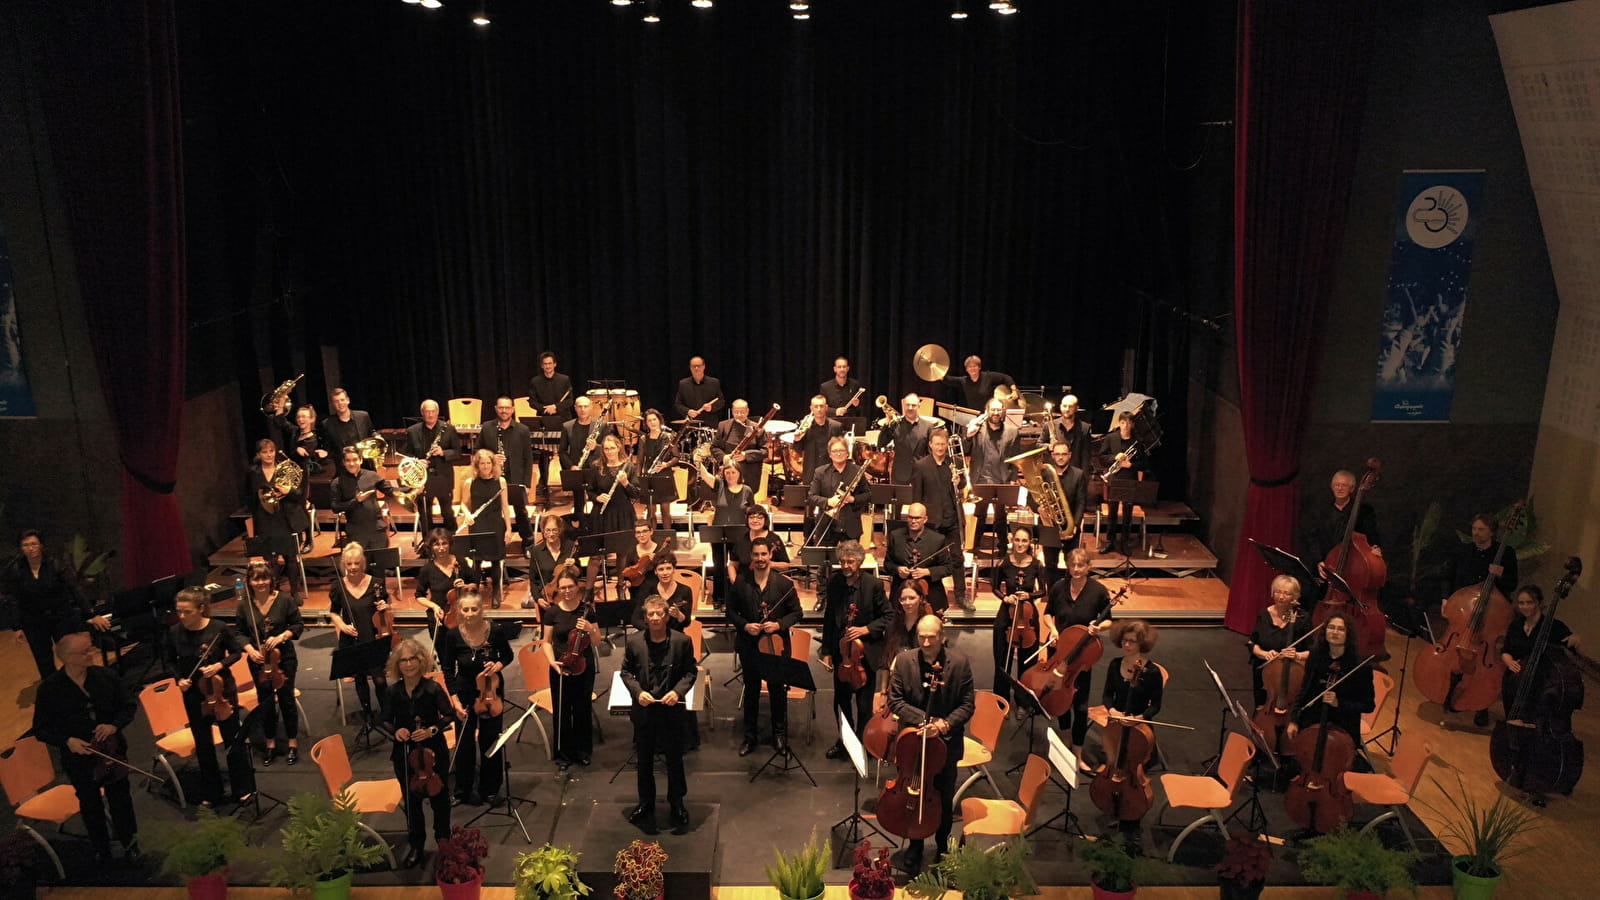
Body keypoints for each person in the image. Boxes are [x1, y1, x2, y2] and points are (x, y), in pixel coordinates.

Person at [31, 631, 139, 862]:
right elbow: (41, 729)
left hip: (113, 750)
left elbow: (128, 706)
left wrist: (113, 725)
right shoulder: (50, 689)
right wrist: (67, 741)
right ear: (67, 657)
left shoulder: (106, 676)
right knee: (90, 805)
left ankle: (131, 844)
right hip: (79, 759)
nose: (92, 654)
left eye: (91, 648)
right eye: (85, 651)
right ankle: (101, 849)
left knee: (121, 800)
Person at [886, 614, 974, 874]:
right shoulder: (903, 661)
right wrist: (925, 722)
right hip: (912, 743)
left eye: (931, 637)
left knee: (943, 798)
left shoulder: (959, 664)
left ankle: (943, 847)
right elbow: (896, 701)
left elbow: (968, 704)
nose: (925, 642)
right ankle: (915, 845)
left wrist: (943, 725)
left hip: (946, 743)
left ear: (942, 636)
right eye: (921, 636)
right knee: (914, 794)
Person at [168, 587, 255, 807]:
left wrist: (219, 665)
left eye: (187, 611)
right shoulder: (175, 632)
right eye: (179, 611)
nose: (182, 616)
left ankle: (242, 788)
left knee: (232, 739)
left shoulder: (218, 628)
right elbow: (169, 661)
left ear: (201, 609)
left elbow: (236, 652)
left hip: (221, 690)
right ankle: (211, 791)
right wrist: (179, 679)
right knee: (203, 744)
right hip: (193, 695)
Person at [622, 595, 698, 835]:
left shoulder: (682, 641)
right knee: (644, 761)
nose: (655, 618)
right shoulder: (634, 642)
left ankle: (677, 803)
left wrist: (677, 692)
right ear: (645, 618)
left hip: (671, 710)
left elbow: (690, 672)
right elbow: (626, 672)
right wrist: (637, 692)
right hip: (645, 710)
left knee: (674, 759)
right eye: (650, 615)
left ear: (667, 616)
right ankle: (646, 803)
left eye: (659, 614)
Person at [436, 589, 513, 806]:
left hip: (492, 691)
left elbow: (507, 655)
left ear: (482, 609)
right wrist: (455, 702)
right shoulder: (452, 635)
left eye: (474, 609)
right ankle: (463, 789)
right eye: (465, 609)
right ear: (459, 611)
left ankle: (490, 788)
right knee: (465, 743)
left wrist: (497, 664)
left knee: (491, 739)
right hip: (465, 692)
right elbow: (448, 669)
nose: (469, 613)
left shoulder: (495, 631)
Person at [2, 530, 110, 680]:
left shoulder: (55, 564)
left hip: (60, 616)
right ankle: (54, 691)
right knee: (43, 659)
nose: (30, 548)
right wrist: (17, 626)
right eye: (26, 545)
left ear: (41, 545)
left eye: (33, 544)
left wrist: (90, 614)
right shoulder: (16, 569)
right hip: (33, 621)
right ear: (21, 548)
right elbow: (13, 599)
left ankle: (78, 684)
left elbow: (75, 589)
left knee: (70, 652)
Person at [383, 638, 454, 869]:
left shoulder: (433, 689)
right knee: (412, 803)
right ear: (397, 664)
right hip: (404, 753)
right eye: (403, 660)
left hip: (434, 752)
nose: (408, 664)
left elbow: (449, 716)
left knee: (440, 800)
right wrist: (397, 731)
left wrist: (432, 730)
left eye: (412, 659)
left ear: (421, 661)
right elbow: (383, 720)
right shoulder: (393, 692)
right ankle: (416, 845)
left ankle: (444, 843)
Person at [819, 540, 891, 759]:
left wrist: (865, 629)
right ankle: (844, 741)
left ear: (859, 562)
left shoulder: (873, 585)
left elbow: (888, 616)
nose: (846, 566)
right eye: (842, 561)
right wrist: (827, 650)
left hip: (865, 653)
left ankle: (863, 742)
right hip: (843, 653)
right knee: (840, 702)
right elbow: (830, 617)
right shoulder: (835, 582)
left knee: (863, 703)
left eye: (850, 562)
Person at [1040, 547, 1114, 758]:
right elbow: (1047, 613)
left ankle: (1078, 754)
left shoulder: (1098, 591)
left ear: (1089, 567)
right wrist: (1053, 630)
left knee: (1080, 707)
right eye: (1072, 565)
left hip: (1082, 655)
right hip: (1060, 651)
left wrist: (1099, 628)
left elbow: (1109, 619)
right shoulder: (1058, 587)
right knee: (1061, 701)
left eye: (1081, 565)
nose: (1076, 569)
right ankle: (1065, 739)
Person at [728, 541, 800, 755]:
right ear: (751, 556)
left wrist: (778, 624)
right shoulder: (741, 583)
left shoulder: (784, 585)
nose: (760, 559)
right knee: (751, 690)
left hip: (775, 645)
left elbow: (797, 613)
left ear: (771, 555)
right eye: (756, 555)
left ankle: (779, 736)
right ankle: (750, 737)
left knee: (778, 690)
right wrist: (745, 625)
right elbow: (730, 612)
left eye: (764, 554)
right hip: (749, 645)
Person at [237, 559, 305, 766]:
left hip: (284, 658)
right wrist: (249, 649)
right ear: (249, 582)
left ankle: (292, 742)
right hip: (258, 661)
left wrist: (282, 636)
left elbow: (298, 625)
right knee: (265, 702)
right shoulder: (244, 605)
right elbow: (239, 633)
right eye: (256, 579)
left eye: (264, 578)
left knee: (286, 700)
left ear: (271, 580)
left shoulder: (284, 600)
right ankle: (270, 743)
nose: (260, 583)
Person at [1285, 612, 1375, 745]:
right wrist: (1294, 720)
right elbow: (1305, 689)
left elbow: (1368, 706)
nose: (1334, 632)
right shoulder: (1316, 656)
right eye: (1331, 627)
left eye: (1341, 629)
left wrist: (1339, 703)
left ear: (1348, 634)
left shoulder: (1360, 667)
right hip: (1314, 718)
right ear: (1325, 630)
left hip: (1342, 724)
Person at [328, 541, 392, 722]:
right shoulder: (338, 586)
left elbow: (387, 608)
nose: (353, 567)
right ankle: (368, 715)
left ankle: (387, 715)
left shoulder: (376, 584)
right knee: (360, 678)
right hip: (352, 638)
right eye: (349, 564)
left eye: (357, 563)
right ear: (344, 565)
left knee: (380, 679)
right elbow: (333, 613)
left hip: (373, 637)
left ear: (362, 563)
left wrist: (385, 606)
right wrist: (342, 626)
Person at [543, 566, 600, 767]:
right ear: (558, 589)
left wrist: (590, 629)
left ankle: (583, 751)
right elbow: (546, 641)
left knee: (582, 708)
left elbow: (597, 641)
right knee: (562, 710)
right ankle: (564, 753)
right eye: (563, 588)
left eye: (570, 587)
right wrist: (552, 662)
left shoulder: (587, 611)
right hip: (560, 666)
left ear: (577, 587)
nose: (567, 591)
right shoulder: (552, 613)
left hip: (584, 666)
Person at [910, 430, 969, 608]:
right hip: (931, 521)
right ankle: (929, 595)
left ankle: (961, 595)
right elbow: (917, 496)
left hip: (952, 519)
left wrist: (960, 482)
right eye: (937, 444)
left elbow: (965, 484)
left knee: (957, 558)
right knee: (930, 559)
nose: (940, 448)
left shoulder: (956, 462)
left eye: (943, 444)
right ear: (930, 445)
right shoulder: (921, 466)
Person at [992, 527, 1046, 705]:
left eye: (1024, 541)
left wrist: (1029, 596)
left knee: (1027, 663)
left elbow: (1043, 591)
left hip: (1028, 615)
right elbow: (995, 587)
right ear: (1012, 540)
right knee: (1002, 661)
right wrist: (1005, 597)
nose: (1020, 544)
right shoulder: (1004, 563)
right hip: (1007, 613)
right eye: (1017, 540)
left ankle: (1024, 702)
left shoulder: (1037, 565)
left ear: (1030, 542)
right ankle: (1001, 701)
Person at [1298, 469, 1382, 580]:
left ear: (1352, 488)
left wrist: (1374, 547)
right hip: (1327, 565)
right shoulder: (1320, 510)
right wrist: (1319, 561)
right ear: (1332, 487)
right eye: (1337, 485)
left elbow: (1371, 533)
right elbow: (1312, 538)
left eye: (1344, 485)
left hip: (1355, 566)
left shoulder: (1364, 510)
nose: (1340, 488)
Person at [964, 398, 1021, 559]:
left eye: (999, 410)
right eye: (993, 409)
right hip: (981, 478)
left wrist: (1013, 478)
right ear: (987, 410)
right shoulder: (977, 429)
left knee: (1001, 517)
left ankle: (1003, 548)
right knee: (979, 514)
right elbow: (966, 449)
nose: (996, 413)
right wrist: (968, 435)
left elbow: (1016, 458)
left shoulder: (1013, 431)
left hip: (1002, 479)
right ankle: (974, 546)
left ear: (1003, 411)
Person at [696, 449, 753, 604]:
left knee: (739, 566)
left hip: (739, 535)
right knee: (719, 566)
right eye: (727, 472)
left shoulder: (747, 490)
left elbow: (752, 513)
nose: (730, 475)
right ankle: (719, 597)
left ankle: (738, 596)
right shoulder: (719, 484)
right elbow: (705, 475)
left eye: (733, 472)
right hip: (719, 534)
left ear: (739, 474)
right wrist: (698, 461)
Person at [456, 448, 511, 606]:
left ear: (493, 464)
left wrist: (508, 529)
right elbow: (463, 504)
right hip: (478, 524)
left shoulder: (500, 481)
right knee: (477, 560)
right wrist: (466, 514)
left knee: (495, 560)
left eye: (488, 463)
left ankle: (495, 592)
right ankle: (476, 591)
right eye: (482, 463)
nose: (486, 466)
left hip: (495, 524)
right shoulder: (470, 482)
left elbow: (505, 507)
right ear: (477, 465)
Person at [1247, 574, 1311, 709]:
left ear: (1295, 597)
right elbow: (1252, 643)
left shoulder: (1302, 618)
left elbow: (1312, 651)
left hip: (1292, 674)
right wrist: (1264, 654)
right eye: (1278, 592)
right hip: (1265, 673)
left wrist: (1297, 655)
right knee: (1262, 707)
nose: (1281, 597)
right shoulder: (1263, 614)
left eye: (1286, 594)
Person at [479, 396, 536, 545]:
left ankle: (528, 543)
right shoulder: (487, 428)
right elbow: (477, 451)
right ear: (496, 409)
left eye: (507, 408)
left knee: (521, 512)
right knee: (492, 511)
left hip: (516, 478)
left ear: (512, 409)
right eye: (501, 408)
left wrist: (527, 483)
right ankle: (493, 541)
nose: (504, 411)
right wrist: (492, 458)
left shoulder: (522, 430)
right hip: (492, 477)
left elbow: (528, 458)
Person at [884, 502, 955, 613]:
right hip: (901, 594)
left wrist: (927, 571)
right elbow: (887, 564)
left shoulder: (937, 539)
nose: (913, 521)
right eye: (910, 517)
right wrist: (898, 570)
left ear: (925, 519)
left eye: (917, 518)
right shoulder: (895, 536)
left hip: (930, 594)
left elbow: (948, 567)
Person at [405, 400, 462, 535]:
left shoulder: (448, 429)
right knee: (425, 514)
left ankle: (452, 542)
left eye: (433, 411)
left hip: (443, 478)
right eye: (427, 411)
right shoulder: (412, 431)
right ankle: (428, 546)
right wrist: (417, 462)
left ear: (437, 412)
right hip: (422, 480)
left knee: (447, 513)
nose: (430, 414)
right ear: (422, 413)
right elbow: (406, 454)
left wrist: (443, 452)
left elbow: (457, 452)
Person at [1035, 441, 1088, 583]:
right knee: (1050, 564)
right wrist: (1038, 508)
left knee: (1072, 564)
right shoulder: (1043, 473)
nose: (1060, 457)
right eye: (1057, 454)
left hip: (1070, 526)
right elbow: (1031, 497)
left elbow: (1081, 501)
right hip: (1049, 525)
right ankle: (1052, 594)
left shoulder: (1079, 474)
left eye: (1064, 454)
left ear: (1069, 455)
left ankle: (1070, 595)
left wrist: (1075, 525)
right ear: (1052, 455)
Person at [330, 448, 400, 550]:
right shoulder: (337, 482)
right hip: (356, 532)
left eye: (355, 460)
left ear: (361, 460)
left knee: (382, 562)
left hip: (377, 529)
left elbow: (390, 490)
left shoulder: (372, 476)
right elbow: (335, 507)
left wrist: (412, 489)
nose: (352, 463)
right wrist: (356, 501)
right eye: (348, 461)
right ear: (343, 462)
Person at [248, 438, 311, 553]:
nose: (269, 455)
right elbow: (251, 498)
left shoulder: (286, 469)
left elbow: (300, 494)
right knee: (270, 559)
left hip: (286, 518)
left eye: (271, 451)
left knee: (291, 558)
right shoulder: (253, 473)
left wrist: (289, 491)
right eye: (264, 452)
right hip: (266, 520)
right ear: (258, 454)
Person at [1096, 411, 1145, 555]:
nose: (1126, 425)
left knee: (1127, 514)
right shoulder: (1111, 438)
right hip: (1114, 480)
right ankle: (1110, 541)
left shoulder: (1137, 442)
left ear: (1133, 424)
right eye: (1123, 422)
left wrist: (1131, 466)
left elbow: (1144, 463)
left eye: (1129, 423)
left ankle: (1125, 542)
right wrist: (1114, 458)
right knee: (1112, 513)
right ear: (1119, 423)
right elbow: (1101, 458)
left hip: (1130, 480)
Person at [414, 527, 478, 636]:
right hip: (439, 615)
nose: (441, 548)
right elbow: (419, 595)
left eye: (444, 544)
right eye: (436, 545)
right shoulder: (427, 569)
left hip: (464, 614)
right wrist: (434, 606)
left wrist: (465, 587)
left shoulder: (461, 562)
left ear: (450, 544)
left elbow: (474, 585)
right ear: (431, 547)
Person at [808, 436, 870, 545]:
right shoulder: (820, 472)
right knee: (824, 561)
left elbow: (868, 495)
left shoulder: (857, 471)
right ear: (830, 454)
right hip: (826, 526)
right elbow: (811, 496)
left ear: (847, 453)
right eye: (835, 451)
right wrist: (828, 502)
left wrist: (852, 499)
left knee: (851, 559)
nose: (838, 454)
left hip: (851, 526)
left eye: (841, 450)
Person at [559, 396, 612, 520]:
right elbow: (562, 451)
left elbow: (610, 447)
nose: (583, 409)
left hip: (596, 469)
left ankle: (597, 527)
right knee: (578, 504)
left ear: (591, 407)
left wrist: (597, 447)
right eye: (580, 406)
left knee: (597, 500)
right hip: (577, 469)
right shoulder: (567, 426)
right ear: (575, 408)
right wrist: (571, 466)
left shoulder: (601, 425)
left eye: (586, 406)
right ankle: (581, 530)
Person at [876, 392, 935, 486]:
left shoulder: (928, 426)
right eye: (908, 405)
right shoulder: (895, 424)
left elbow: (931, 453)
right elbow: (881, 443)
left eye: (913, 405)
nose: (910, 408)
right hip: (900, 475)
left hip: (920, 474)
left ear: (919, 406)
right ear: (904, 405)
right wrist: (887, 422)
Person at [635, 408, 677, 528]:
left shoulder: (668, 437)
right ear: (646, 423)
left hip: (664, 476)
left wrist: (665, 465)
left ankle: (667, 538)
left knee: (665, 510)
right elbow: (639, 461)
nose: (652, 422)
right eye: (649, 421)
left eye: (654, 419)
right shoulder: (643, 439)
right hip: (650, 477)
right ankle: (651, 538)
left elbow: (676, 457)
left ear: (659, 420)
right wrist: (639, 480)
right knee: (651, 511)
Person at [630, 552, 694, 631]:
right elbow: (636, 620)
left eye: (668, 568)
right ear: (655, 572)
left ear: (674, 569)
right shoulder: (647, 589)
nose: (665, 573)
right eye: (661, 569)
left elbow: (687, 623)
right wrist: (654, 631)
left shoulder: (685, 590)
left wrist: (679, 615)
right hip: (651, 634)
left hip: (675, 635)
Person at [525, 514, 577, 610]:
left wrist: (573, 566)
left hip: (568, 597)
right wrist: (538, 599)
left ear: (560, 530)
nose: (551, 534)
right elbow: (533, 580)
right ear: (543, 531)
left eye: (554, 530)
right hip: (547, 599)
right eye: (548, 530)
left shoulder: (570, 547)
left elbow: (579, 574)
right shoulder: (536, 551)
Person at [716, 399, 769, 489]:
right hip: (728, 473)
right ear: (732, 411)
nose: (739, 415)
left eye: (742, 412)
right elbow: (714, 447)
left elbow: (765, 452)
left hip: (749, 474)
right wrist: (723, 457)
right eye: (736, 412)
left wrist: (746, 455)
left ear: (747, 411)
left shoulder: (757, 429)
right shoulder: (723, 426)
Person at [729, 504, 790, 583]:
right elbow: (733, 564)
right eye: (751, 517)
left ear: (765, 520)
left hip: (769, 584)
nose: (755, 521)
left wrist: (770, 564)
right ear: (747, 520)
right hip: (745, 584)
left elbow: (786, 566)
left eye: (759, 518)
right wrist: (734, 581)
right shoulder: (741, 539)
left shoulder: (774, 540)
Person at [321, 388, 377, 468]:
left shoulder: (363, 416)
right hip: (344, 468)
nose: (340, 403)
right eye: (336, 401)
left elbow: (371, 431)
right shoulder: (327, 424)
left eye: (342, 400)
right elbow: (329, 448)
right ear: (332, 404)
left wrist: (377, 436)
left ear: (348, 400)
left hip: (365, 465)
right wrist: (326, 453)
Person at [942, 355, 1016, 412]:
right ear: (966, 369)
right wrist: (936, 371)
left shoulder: (988, 376)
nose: (972, 369)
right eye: (969, 367)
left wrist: (1014, 390)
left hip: (989, 414)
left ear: (979, 367)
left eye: (974, 366)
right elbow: (949, 380)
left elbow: (1006, 378)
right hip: (973, 415)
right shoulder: (964, 381)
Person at [1044, 394, 1093, 472]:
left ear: (1076, 408)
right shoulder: (1049, 425)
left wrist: (1084, 476)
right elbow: (1039, 444)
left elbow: (1086, 455)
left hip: (1075, 472)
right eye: (1064, 406)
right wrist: (1048, 446)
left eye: (1070, 406)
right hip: (1054, 471)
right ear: (1060, 406)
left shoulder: (1085, 428)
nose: (1067, 409)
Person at [673, 356, 724, 426]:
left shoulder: (714, 382)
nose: (696, 368)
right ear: (690, 368)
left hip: (710, 424)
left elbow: (721, 401)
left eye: (698, 366)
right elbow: (678, 404)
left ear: (704, 366)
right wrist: (688, 411)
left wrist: (711, 408)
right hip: (691, 425)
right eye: (694, 366)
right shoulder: (683, 384)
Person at [529, 351, 576, 422]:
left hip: (563, 418)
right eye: (545, 364)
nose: (547, 366)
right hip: (544, 417)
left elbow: (570, 401)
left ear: (555, 364)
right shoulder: (535, 381)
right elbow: (532, 402)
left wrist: (555, 407)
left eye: (550, 363)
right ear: (541, 365)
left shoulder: (564, 379)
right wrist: (544, 408)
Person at [289, 404, 329, 475]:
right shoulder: (295, 431)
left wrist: (296, 449)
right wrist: (282, 399)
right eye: (298, 417)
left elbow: (301, 460)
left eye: (303, 417)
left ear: (312, 419)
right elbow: (279, 420)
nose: (300, 419)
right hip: (293, 472)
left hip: (303, 474)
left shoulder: (312, 440)